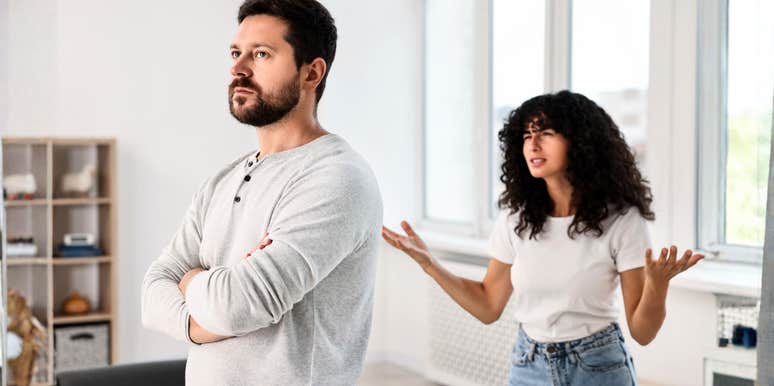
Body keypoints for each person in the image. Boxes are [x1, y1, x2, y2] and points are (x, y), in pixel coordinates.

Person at [382, 90, 703, 386]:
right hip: (528, 364)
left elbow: (643, 332)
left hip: (598, 366)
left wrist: (658, 285)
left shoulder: (621, 219)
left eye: (546, 134)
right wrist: (430, 264)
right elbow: (488, 306)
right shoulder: (517, 218)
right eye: (527, 135)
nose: (533, 145)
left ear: (580, 142)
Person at [141, 1, 383, 384]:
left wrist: (190, 281)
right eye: (236, 53)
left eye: (261, 54)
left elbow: (238, 305)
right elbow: (153, 291)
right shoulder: (222, 180)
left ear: (311, 73)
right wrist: (202, 324)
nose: (239, 68)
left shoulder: (338, 178)